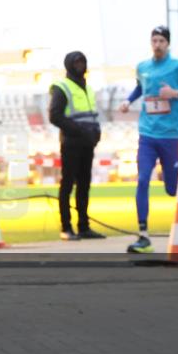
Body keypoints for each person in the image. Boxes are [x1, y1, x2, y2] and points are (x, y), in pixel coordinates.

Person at [118, 26, 178, 253]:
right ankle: (143, 236)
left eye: (162, 40)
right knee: (142, 180)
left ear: (168, 44)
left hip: (170, 135)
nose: (157, 45)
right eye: (154, 40)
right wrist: (127, 101)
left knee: (172, 189)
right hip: (147, 134)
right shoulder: (143, 67)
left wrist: (176, 94)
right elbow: (138, 87)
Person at [48, 51, 105, 240]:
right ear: (69, 65)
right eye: (76, 62)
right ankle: (66, 227)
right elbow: (54, 115)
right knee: (68, 185)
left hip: (87, 144)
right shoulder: (62, 87)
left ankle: (84, 226)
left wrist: (95, 132)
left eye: (82, 62)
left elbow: (91, 114)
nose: (80, 65)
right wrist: (79, 130)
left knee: (84, 185)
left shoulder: (87, 88)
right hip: (71, 143)